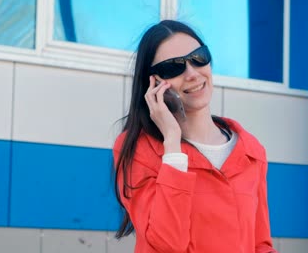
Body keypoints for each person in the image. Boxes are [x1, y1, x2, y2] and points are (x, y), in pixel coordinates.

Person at [113, 20, 278, 253]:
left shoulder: (251, 151)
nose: (192, 73)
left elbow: (260, 244)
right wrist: (172, 143)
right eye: (173, 67)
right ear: (154, 82)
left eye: (198, 57)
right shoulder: (139, 149)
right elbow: (167, 244)